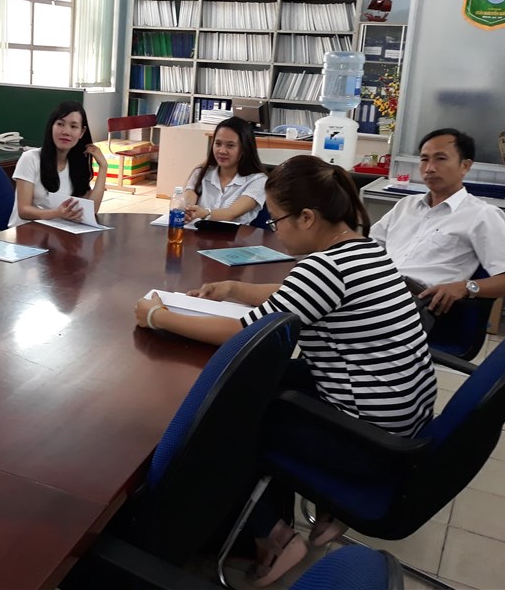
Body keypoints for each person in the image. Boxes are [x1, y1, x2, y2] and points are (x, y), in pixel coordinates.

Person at [134, 155, 436, 586]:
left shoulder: (325, 267)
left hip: (366, 439)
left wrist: (157, 316)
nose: (275, 230)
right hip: (399, 418)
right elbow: (297, 293)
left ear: (307, 217)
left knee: (223, 423)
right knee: (254, 388)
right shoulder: (363, 250)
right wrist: (235, 288)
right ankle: (313, 509)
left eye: (276, 220)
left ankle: (272, 536)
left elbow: (241, 335)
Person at [370, 128, 505, 315]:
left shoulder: (482, 215)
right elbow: (368, 247)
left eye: (440, 159)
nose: (429, 168)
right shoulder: (406, 205)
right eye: (424, 159)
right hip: (376, 289)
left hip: (414, 305)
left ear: (465, 166)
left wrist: (466, 287)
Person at [7, 101, 108, 227]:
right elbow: (24, 210)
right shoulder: (30, 159)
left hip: (57, 231)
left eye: (73, 126)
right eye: (60, 124)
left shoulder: (77, 165)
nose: (66, 132)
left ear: (82, 132)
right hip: (25, 232)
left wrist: (103, 167)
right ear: (51, 127)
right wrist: (57, 213)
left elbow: (91, 211)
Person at [183, 117, 268, 225]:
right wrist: (187, 209)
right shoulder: (201, 172)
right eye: (218, 144)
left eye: (230, 145)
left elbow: (231, 213)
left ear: (244, 149)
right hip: (195, 233)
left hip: (235, 235)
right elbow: (189, 196)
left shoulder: (258, 181)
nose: (222, 151)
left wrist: (204, 213)